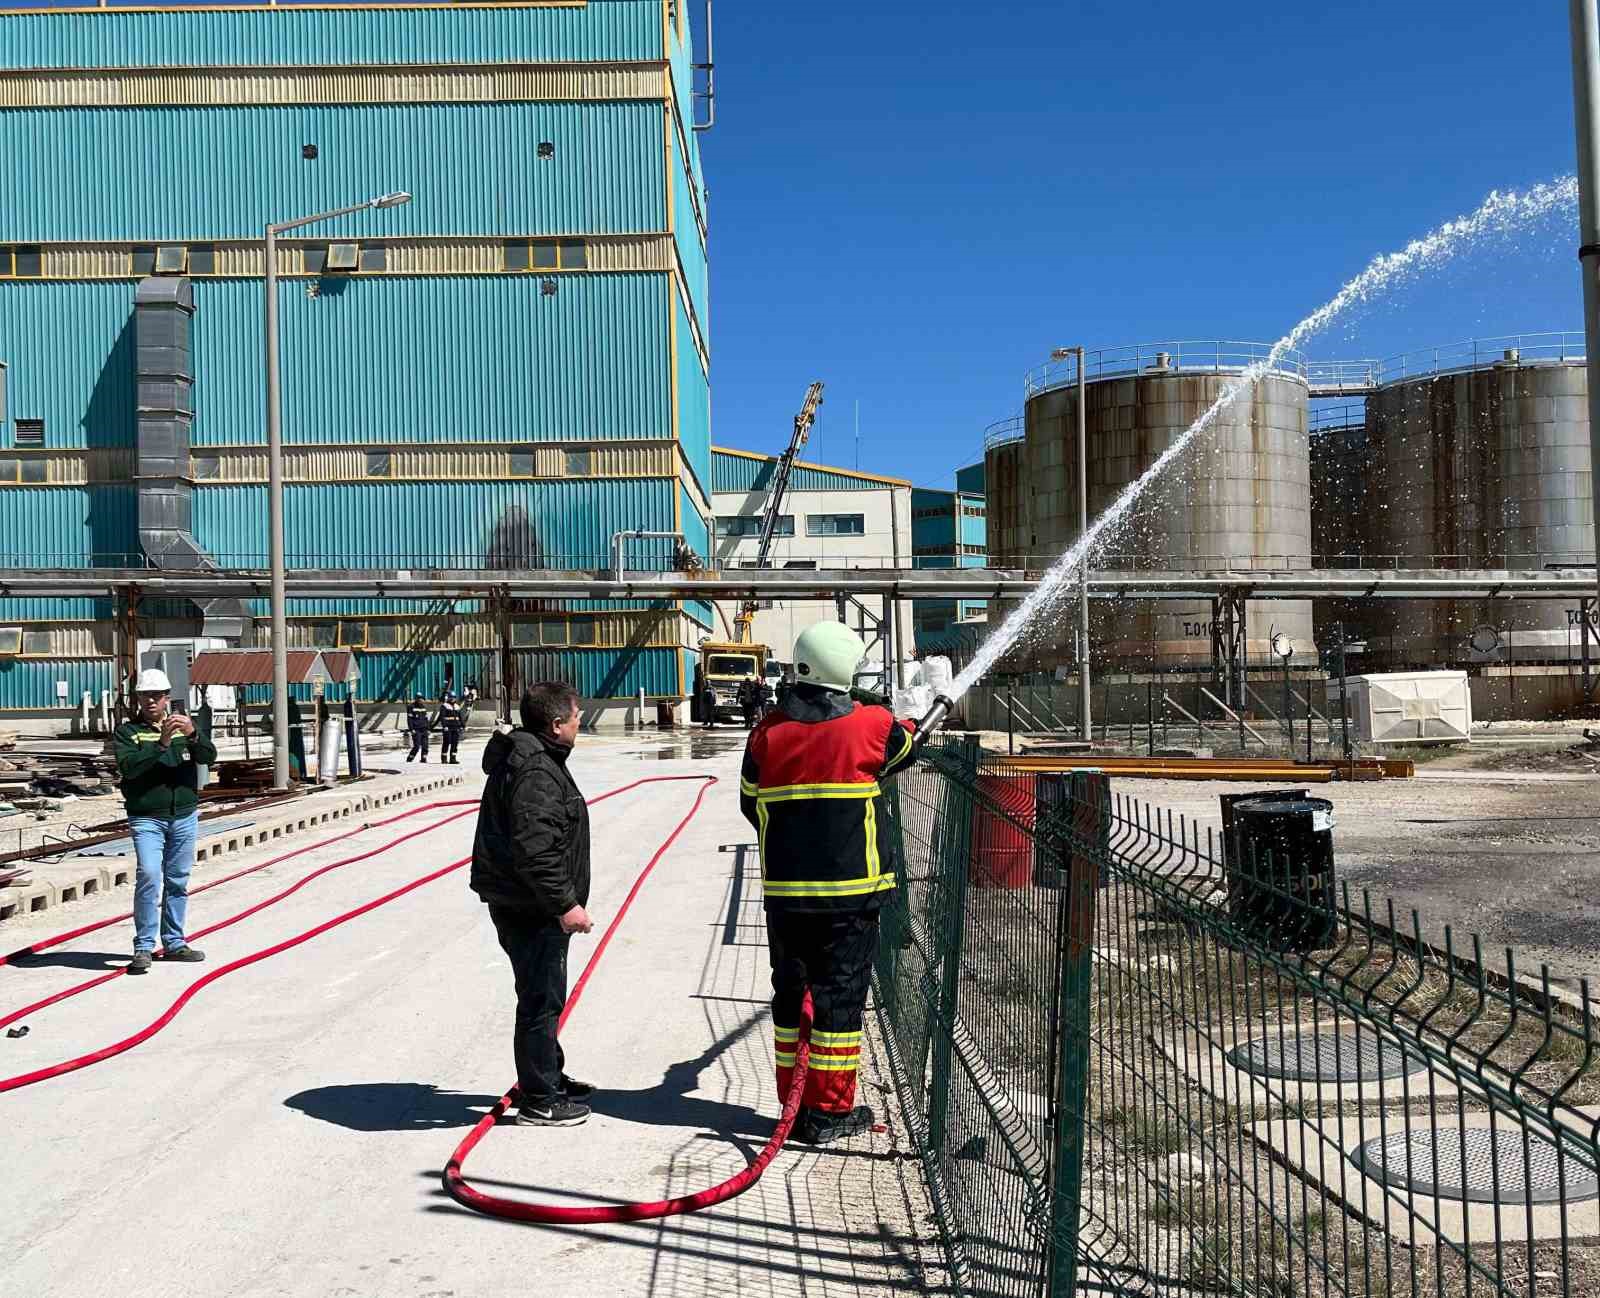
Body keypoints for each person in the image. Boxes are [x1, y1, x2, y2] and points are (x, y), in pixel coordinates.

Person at [740, 622, 921, 1144]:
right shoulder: (872, 724)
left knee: (791, 994)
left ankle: (792, 1104)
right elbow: (903, 748)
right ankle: (829, 1112)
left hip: (785, 898)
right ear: (846, 670)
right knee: (838, 1002)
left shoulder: (765, 734)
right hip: (851, 894)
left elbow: (750, 803)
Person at [470, 681, 597, 1127]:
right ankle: (540, 1099)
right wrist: (566, 905)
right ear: (557, 723)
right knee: (540, 1000)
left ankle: (549, 1076)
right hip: (532, 906)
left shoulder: (530, 756)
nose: (581, 720)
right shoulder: (537, 770)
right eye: (577, 714)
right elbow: (535, 848)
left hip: (524, 900)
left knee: (545, 995)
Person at [114, 668, 218, 975]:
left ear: (166, 698)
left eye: (157, 696)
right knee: (148, 874)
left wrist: (193, 734)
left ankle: (174, 942)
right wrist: (161, 743)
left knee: (178, 879)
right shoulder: (128, 732)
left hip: (183, 814)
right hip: (147, 816)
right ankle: (144, 947)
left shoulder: (184, 728)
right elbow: (130, 767)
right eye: (146, 696)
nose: (151, 702)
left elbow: (208, 756)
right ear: (138, 698)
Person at [438, 692, 464, 765]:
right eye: (451, 697)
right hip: (448, 727)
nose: (453, 699)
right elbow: (442, 717)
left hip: (455, 727)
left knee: (455, 743)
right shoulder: (444, 706)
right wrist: (444, 726)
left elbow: (460, 717)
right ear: (448, 698)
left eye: (454, 697)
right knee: (446, 742)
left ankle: (453, 758)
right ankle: (444, 758)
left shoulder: (457, 706)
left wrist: (462, 725)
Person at [406, 692, 431, 763]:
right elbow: (409, 719)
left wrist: (428, 729)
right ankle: (410, 759)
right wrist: (411, 729)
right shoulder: (411, 707)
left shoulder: (423, 707)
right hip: (416, 729)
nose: (421, 700)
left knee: (425, 746)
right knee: (417, 746)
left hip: (424, 729)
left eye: (422, 699)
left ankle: (423, 759)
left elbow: (426, 719)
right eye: (419, 699)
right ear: (416, 699)